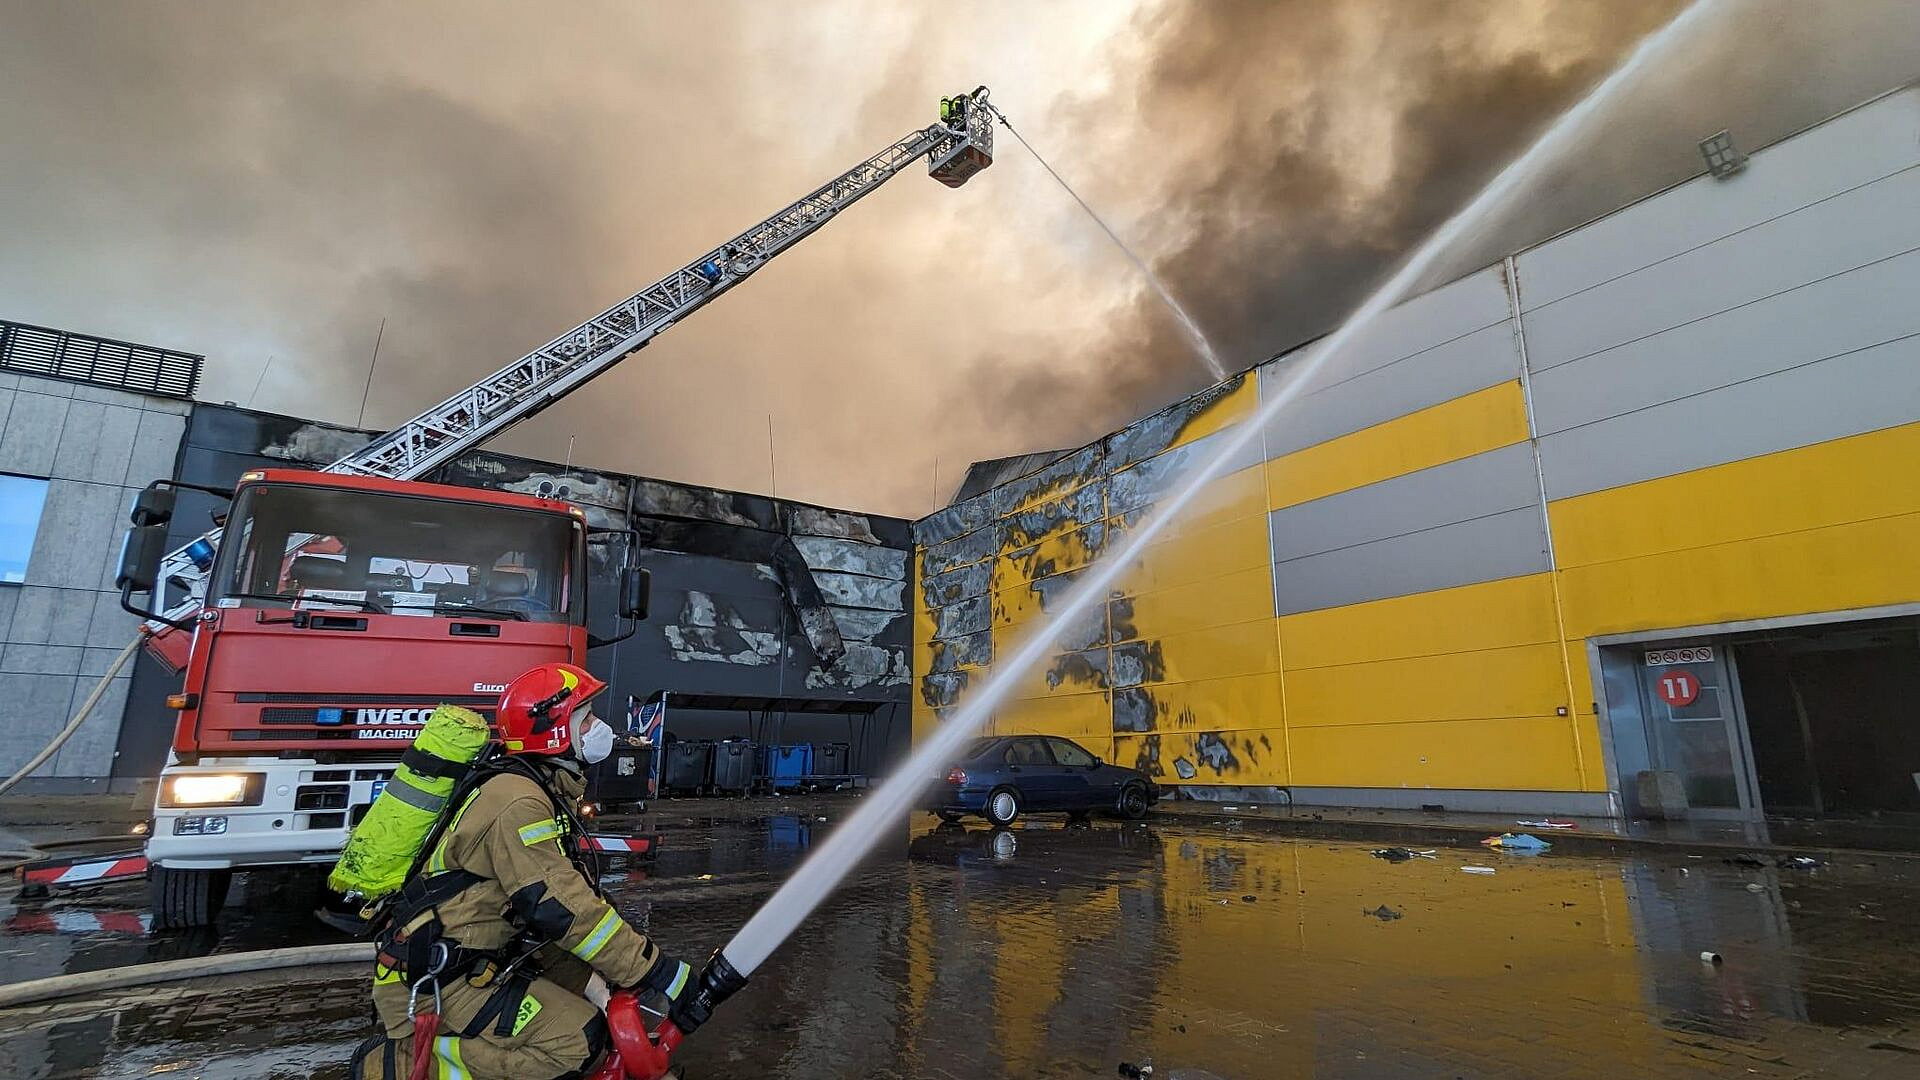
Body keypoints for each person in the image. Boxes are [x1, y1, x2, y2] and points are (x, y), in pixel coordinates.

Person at [351, 662, 711, 1080]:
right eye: (587, 718)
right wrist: (657, 970)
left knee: (597, 995)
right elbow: (558, 905)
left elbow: (553, 905)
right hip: (441, 980)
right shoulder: (517, 802)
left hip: (479, 953)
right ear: (554, 730)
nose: (599, 728)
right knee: (576, 1039)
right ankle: (397, 1065)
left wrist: (606, 978)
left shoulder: (533, 787)